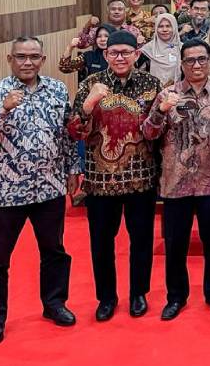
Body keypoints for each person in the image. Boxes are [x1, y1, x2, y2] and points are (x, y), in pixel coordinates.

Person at [0, 36, 81, 345]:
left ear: (43, 60)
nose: (27, 62)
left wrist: (73, 168)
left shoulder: (57, 90)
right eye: (21, 56)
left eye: (34, 56)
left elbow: (66, 135)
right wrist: (2, 110)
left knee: (54, 251)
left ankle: (55, 303)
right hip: (5, 193)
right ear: (10, 59)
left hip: (49, 188)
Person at [68, 30, 162, 321]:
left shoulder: (151, 84)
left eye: (126, 52)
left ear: (137, 54)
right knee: (101, 242)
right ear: (106, 55)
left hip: (140, 177)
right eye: (113, 53)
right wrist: (89, 105)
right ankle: (106, 297)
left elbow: (159, 131)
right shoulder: (90, 84)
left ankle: (138, 293)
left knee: (142, 240)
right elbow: (73, 131)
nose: (120, 58)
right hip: (100, 180)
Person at [141, 40, 210, 320]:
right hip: (175, 182)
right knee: (175, 244)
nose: (197, 65)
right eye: (190, 60)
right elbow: (148, 134)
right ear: (182, 64)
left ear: (209, 62)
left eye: (202, 59)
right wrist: (160, 111)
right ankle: (176, 296)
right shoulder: (167, 95)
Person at [139, 13, 182, 87]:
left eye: (168, 26)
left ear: (174, 27)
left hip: (179, 91)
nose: (164, 30)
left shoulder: (183, 49)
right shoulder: (148, 49)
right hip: (151, 91)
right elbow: (139, 74)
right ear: (156, 28)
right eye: (160, 26)